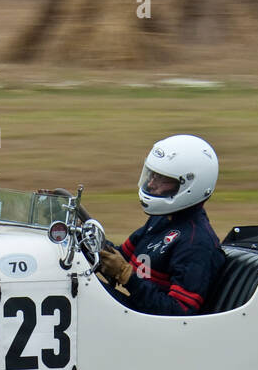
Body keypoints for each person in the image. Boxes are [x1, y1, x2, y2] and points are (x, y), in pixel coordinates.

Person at [94, 134, 227, 315]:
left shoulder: (196, 243)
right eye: (152, 175)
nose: (151, 183)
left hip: (155, 329)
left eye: (162, 179)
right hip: (134, 314)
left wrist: (127, 276)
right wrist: (86, 240)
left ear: (189, 185)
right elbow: (120, 258)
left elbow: (179, 313)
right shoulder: (162, 219)